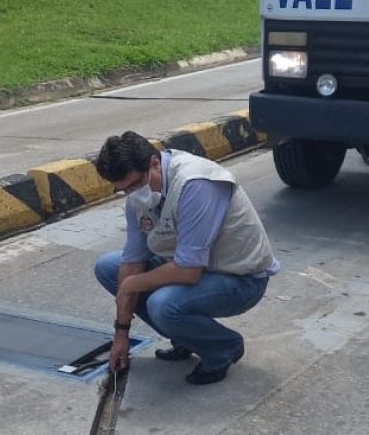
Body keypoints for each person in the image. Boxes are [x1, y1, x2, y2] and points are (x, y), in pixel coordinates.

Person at [93, 130, 280, 385]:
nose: (132, 194)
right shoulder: (138, 196)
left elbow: (187, 272)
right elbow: (133, 260)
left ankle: (223, 349)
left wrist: (130, 286)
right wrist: (121, 335)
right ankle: (186, 338)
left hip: (239, 277)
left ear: (154, 164)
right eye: (123, 190)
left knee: (163, 305)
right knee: (107, 267)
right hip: (191, 266)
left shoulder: (196, 183)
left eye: (135, 185)